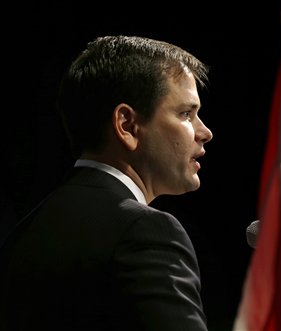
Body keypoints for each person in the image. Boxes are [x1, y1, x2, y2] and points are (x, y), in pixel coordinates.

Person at [0, 35, 213, 330]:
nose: (205, 132)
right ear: (127, 125)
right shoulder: (146, 232)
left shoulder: (24, 233)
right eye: (186, 114)